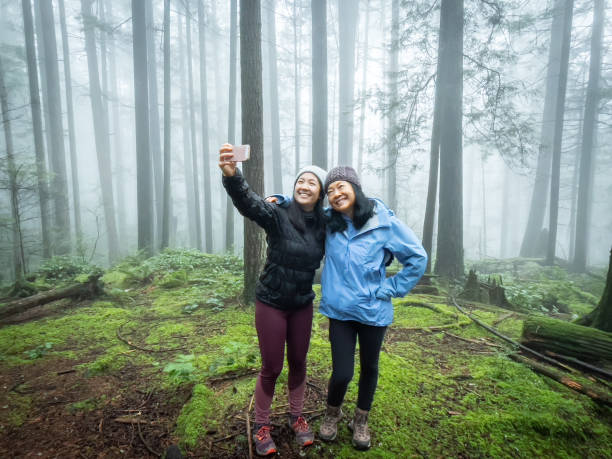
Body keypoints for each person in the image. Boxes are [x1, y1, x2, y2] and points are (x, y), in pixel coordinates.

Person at [272, 166, 427, 450]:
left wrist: (391, 288)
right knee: (342, 372)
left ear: (355, 188)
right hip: (340, 311)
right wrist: (282, 199)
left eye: (341, 186)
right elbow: (306, 200)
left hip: (373, 311)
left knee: (370, 367)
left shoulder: (384, 222)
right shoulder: (328, 219)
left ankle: (361, 420)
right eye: (330, 190)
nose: (335, 194)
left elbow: (417, 257)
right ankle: (332, 414)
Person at [218, 144, 327, 456]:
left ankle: (296, 417)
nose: (305, 186)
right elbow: (250, 204)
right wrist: (232, 175)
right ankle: (262, 425)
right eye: (300, 182)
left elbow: (353, 221)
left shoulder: (324, 225)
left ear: (320, 192)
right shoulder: (278, 214)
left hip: (302, 304)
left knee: (299, 362)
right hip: (271, 303)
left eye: (312, 183)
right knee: (272, 367)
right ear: (294, 188)